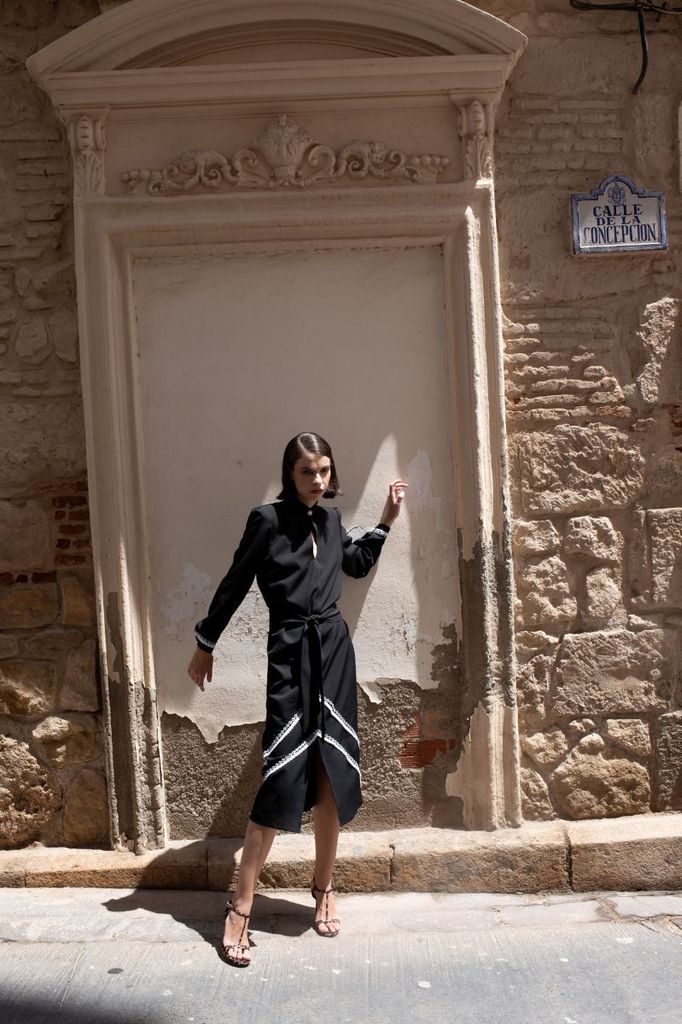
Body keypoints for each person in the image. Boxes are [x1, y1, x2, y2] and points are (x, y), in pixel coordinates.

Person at [187, 431, 406, 967]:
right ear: (290, 473)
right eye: (308, 471)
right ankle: (240, 905)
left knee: (332, 772)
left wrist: (384, 523)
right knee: (281, 772)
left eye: (325, 471)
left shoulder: (331, 522)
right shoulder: (265, 520)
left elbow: (353, 565)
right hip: (289, 653)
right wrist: (205, 642)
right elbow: (236, 580)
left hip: (333, 651)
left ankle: (324, 887)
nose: (317, 481)